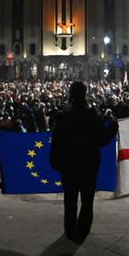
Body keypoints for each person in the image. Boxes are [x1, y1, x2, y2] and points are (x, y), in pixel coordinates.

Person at [50, 82, 118, 242]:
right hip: (89, 163)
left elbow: (56, 141)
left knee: (70, 199)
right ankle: (82, 231)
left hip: (69, 165)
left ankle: (70, 231)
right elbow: (101, 140)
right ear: (85, 94)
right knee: (87, 200)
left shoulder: (63, 116)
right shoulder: (93, 116)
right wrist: (113, 128)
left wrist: (55, 160)